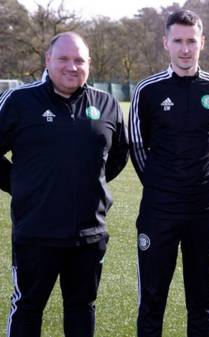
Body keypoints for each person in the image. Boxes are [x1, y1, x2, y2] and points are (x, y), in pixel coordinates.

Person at [0, 32, 129, 337]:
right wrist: (21, 185)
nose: (72, 67)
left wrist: (88, 182)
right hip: (36, 233)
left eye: (79, 60)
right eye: (63, 59)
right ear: (48, 60)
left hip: (89, 234)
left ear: (89, 64)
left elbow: (119, 155)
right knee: (28, 308)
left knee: (82, 308)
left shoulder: (107, 103)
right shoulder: (20, 101)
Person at [129, 9, 209, 337]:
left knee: (201, 301)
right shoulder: (148, 91)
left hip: (206, 210)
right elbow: (137, 146)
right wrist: (162, 184)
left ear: (202, 42)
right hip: (159, 211)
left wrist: (203, 181)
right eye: (178, 41)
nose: (185, 49)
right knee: (152, 299)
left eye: (191, 41)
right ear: (165, 43)